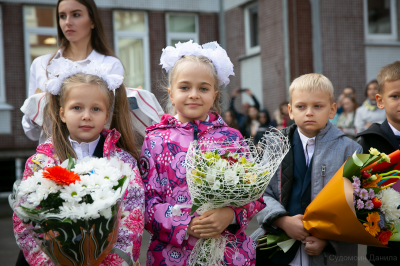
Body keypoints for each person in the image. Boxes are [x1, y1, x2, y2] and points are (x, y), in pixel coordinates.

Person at [140, 41, 265, 265]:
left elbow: (255, 194)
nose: (194, 95)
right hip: (171, 256)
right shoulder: (156, 139)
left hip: (229, 253)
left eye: (204, 88)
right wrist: (184, 224)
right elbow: (147, 201)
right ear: (171, 92)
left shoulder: (232, 138)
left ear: (215, 94)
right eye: (185, 87)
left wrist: (231, 215)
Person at [13, 59, 144, 266]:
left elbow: (132, 221)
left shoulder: (123, 164)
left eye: (96, 109)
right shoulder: (41, 162)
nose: (86, 116)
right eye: (77, 108)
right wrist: (53, 262)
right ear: (62, 113)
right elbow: (25, 222)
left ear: (107, 115)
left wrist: (112, 262)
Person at [251, 73, 362, 266]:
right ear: (290, 111)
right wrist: (282, 221)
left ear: (332, 109)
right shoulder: (275, 146)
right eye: (301, 106)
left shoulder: (351, 150)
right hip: (279, 249)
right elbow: (259, 192)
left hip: (328, 254)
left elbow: (356, 205)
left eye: (317, 106)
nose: (309, 112)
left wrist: (327, 239)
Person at [22, 0, 124, 144]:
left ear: (93, 21)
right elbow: (31, 132)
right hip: (52, 158)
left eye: (76, 15)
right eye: (62, 16)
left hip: (97, 159)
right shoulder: (42, 65)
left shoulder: (109, 65)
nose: (67, 22)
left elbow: (112, 123)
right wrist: (36, 107)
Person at [356, 61, 400, 266]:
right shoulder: (368, 141)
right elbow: (358, 191)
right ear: (380, 101)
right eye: (395, 96)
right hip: (386, 247)